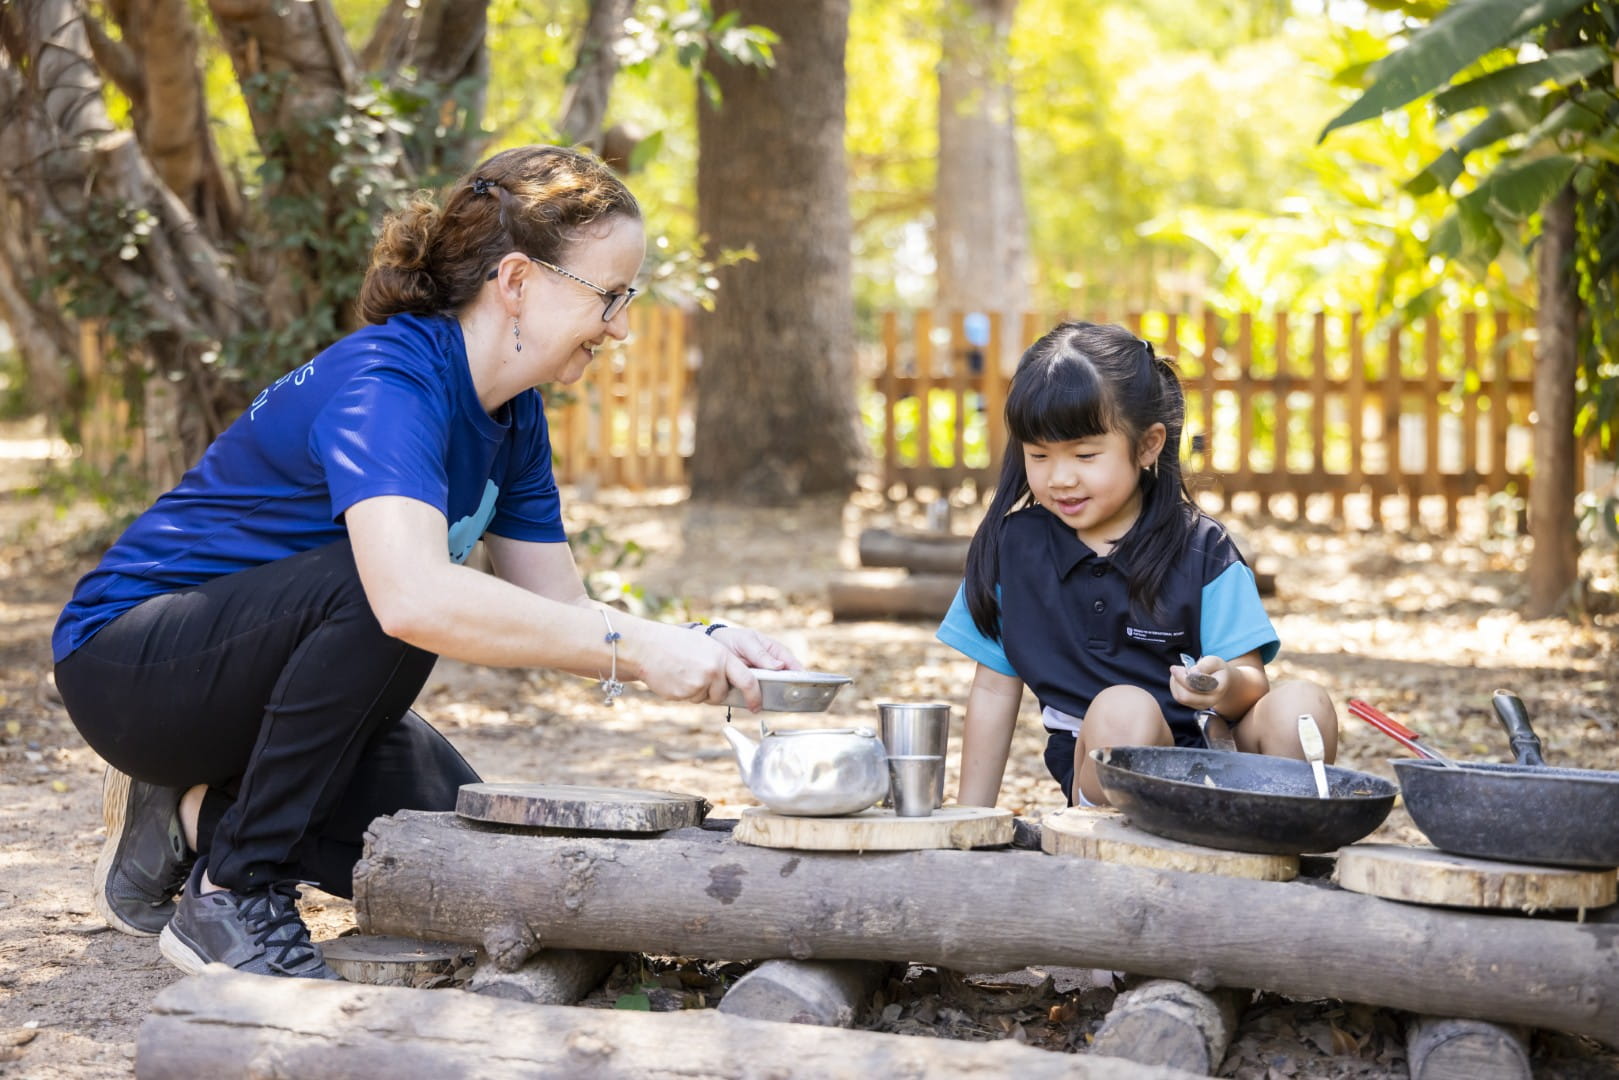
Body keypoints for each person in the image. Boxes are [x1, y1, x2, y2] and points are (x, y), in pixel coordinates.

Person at [52, 145, 799, 980]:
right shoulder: (389, 381)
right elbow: (408, 600)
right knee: (386, 588)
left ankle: (188, 818)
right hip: (132, 669)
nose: (621, 325)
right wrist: (643, 653)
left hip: (267, 682)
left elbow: (558, 608)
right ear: (516, 281)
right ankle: (232, 892)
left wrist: (696, 639)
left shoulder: (513, 418)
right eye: (609, 296)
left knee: (449, 848)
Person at [935, 321, 1336, 809]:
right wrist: (970, 819)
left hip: (1214, 759)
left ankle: (1277, 844)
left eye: (1085, 454)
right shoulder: (1012, 548)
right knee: (1126, 709)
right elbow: (995, 692)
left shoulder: (1201, 548)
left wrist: (1221, 685)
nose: (1060, 478)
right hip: (1106, 764)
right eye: (1039, 455)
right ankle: (1115, 861)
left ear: (1148, 445)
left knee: (1302, 707)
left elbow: (1251, 682)